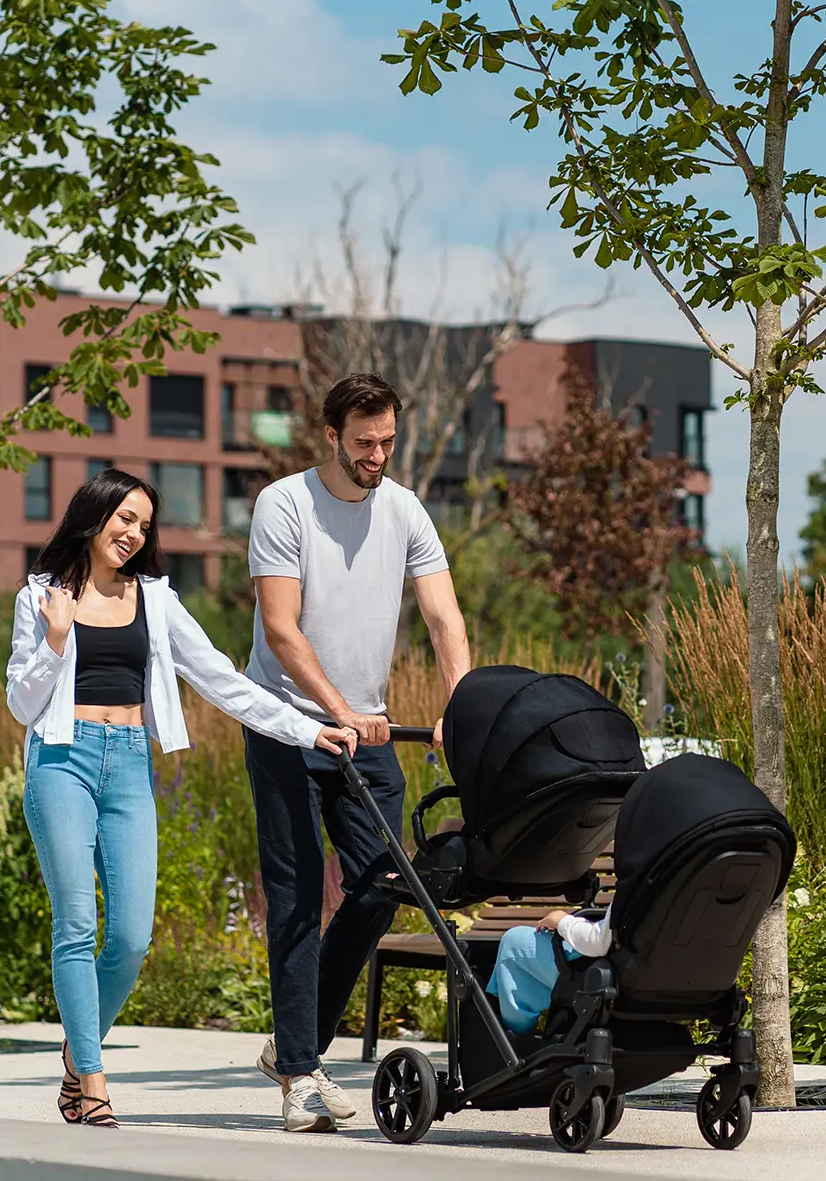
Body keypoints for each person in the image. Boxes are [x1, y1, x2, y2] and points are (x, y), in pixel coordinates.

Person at [6, 468, 357, 1130]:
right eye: (124, 518)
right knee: (77, 925)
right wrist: (55, 641)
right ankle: (93, 1081)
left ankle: (77, 1049)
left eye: (143, 523)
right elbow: (21, 703)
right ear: (93, 516)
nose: (133, 533)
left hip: (130, 766)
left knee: (133, 939)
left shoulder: (157, 601)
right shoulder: (42, 598)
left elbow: (225, 683)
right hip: (61, 763)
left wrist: (310, 729)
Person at [243, 372, 472, 1132]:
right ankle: (302, 1078)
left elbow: (442, 617)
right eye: (364, 442)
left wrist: (459, 705)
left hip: (364, 730)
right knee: (301, 891)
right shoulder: (285, 504)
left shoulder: (405, 510)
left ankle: (293, 1045)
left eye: (388, 443)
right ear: (331, 434)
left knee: (382, 885)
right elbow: (281, 627)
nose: (377, 456)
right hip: (286, 724)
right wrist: (334, 712)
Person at [487, 906, 614, 1035]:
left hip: (595, 969)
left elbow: (598, 940)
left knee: (513, 942)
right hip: (620, 970)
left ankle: (511, 1040)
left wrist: (562, 921)